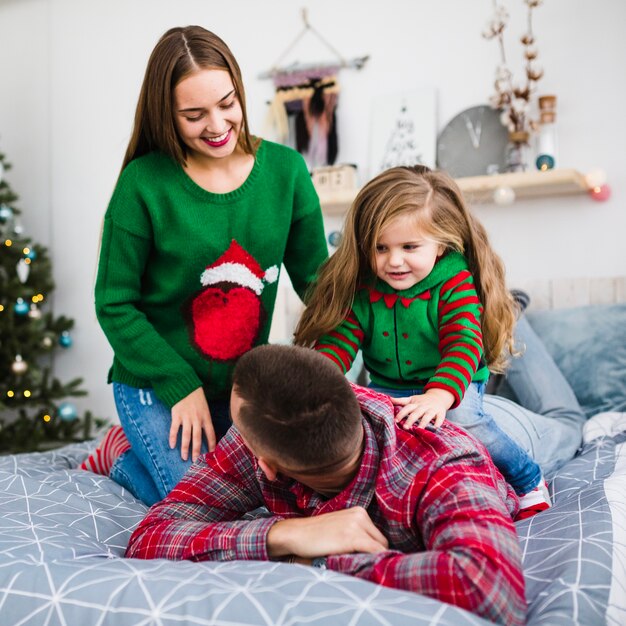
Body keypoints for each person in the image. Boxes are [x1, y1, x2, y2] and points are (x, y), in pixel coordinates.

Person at [81, 25, 328, 506]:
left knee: (270, 495)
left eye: (226, 103)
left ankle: (134, 457)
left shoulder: (286, 172)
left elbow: (320, 284)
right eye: (194, 115)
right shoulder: (143, 184)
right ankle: (122, 455)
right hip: (156, 384)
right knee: (204, 505)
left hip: (244, 389)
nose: (217, 125)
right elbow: (114, 303)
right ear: (166, 116)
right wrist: (180, 386)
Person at [125, 344, 526, 626]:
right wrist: (284, 535)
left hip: (504, 427)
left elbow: (491, 591)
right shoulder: (257, 439)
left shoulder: (446, 463)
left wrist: (317, 562)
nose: (235, 438)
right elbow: (150, 538)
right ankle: (120, 451)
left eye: (238, 431)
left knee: (561, 418)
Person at [294, 165, 550, 519]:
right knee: (356, 435)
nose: (393, 261)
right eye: (380, 247)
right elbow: (340, 341)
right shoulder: (364, 287)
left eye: (409, 246)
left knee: (463, 421)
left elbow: (464, 343)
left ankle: (527, 479)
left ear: (441, 243)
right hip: (387, 385)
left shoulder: (454, 282)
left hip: (451, 384)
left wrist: (439, 396)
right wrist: (318, 382)